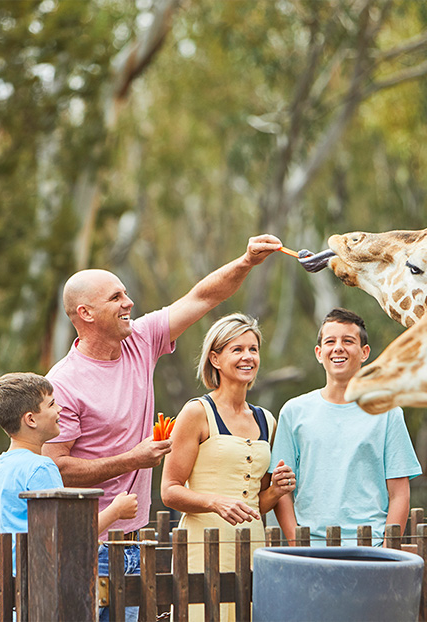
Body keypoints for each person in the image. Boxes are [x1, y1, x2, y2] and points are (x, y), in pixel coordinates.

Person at [41, 235, 282, 618]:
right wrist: (131, 459)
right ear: (85, 313)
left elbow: (203, 297)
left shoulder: (140, 338)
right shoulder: (65, 383)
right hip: (86, 543)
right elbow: (54, 469)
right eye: (116, 298)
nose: (129, 303)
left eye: (126, 294)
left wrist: (247, 261)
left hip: (134, 541)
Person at [161, 313, 294, 622]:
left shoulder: (266, 420)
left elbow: (254, 505)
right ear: (215, 359)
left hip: (251, 548)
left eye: (253, 349)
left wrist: (275, 490)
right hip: (201, 548)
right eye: (237, 349)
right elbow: (169, 490)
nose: (248, 356)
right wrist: (214, 501)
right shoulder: (196, 412)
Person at [270, 308, 422, 546]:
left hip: (370, 549)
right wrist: (297, 544)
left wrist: (385, 548)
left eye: (348, 341)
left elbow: (400, 494)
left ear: (364, 353)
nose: (338, 347)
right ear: (319, 353)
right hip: (311, 549)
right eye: (330, 341)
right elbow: (281, 491)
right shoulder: (293, 412)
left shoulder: (388, 412)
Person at [0, 372, 138, 575]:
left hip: (6, 592)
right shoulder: (41, 468)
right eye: (51, 404)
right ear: (31, 419)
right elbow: (69, 537)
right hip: (37, 590)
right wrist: (116, 511)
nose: (59, 409)